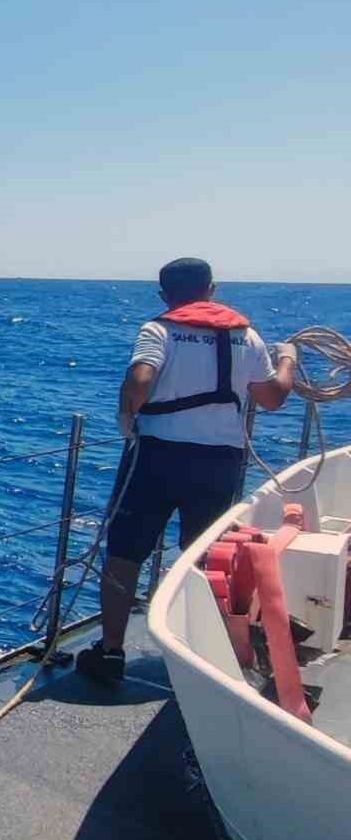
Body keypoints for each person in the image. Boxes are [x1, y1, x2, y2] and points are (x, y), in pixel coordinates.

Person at [76, 257, 296, 687]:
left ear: (164, 296)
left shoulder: (159, 330)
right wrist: (286, 359)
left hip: (156, 458)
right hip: (219, 463)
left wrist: (127, 417)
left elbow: (140, 378)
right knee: (205, 556)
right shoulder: (245, 336)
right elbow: (272, 398)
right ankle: (206, 652)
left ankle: (110, 651)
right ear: (211, 289)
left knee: (124, 553)